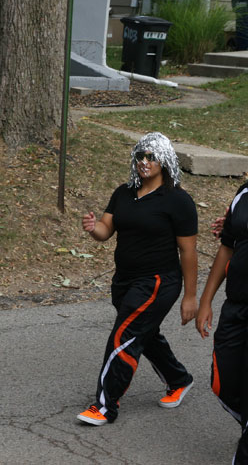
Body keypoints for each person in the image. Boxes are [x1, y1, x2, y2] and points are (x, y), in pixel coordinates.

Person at [76, 132, 197, 426]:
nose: (145, 162)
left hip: (158, 282)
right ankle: (178, 379)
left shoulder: (177, 200)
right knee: (142, 332)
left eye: (152, 157)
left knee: (123, 337)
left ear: (165, 161)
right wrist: (93, 228)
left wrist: (191, 297)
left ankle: (105, 406)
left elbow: (188, 251)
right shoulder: (124, 193)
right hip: (124, 282)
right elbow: (106, 230)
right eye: (140, 156)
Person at [196, 181, 248, 464]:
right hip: (236, 306)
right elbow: (227, 248)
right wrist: (206, 300)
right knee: (222, 381)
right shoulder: (243, 193)